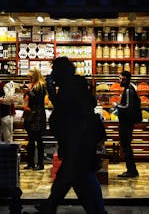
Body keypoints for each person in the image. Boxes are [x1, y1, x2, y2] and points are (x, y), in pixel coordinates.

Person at [36, 57, 106, 214]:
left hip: (77, 145)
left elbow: (68, 115)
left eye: (55, 71)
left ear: (61, 72)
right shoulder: (73, 87)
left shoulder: (70, 89)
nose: (52, 74)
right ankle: (50, 207)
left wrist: (72, 148)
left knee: (75, 179)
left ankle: (50, 207)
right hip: (79, 145)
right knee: (74, 180)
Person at [115, 70, 140, 178]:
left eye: (121, 79)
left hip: (126, 123)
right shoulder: (128, 89)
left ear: (126, 79)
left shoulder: (129, 91)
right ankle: (132, 169)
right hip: (127, 122)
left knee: (126, 147)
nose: (120, 81)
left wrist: (117, 105)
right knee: (126, 146)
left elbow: (128, 107)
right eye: (119, 78)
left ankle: (131, 170)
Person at [23, 68, 48, 170]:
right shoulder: (32, 85)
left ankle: (40, 163)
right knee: (31, 140)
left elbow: (38, 100)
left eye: (31, 77)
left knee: (38, 139)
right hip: (30, 115)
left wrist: (28, 92)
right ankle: (31, 163)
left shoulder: (41, 86)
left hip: (37, 115)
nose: (29, 79)